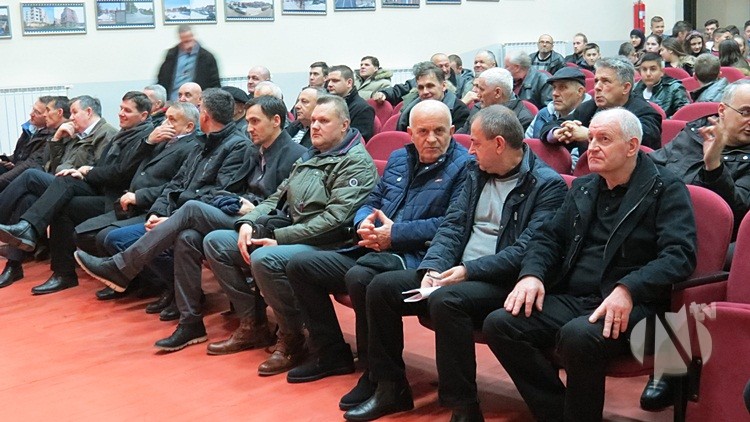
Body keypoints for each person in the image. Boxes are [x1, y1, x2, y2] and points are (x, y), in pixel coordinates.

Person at [342, 104, 567, 422]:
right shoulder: (476, 172)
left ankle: (463, 406)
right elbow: (452, 226)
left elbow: (527, 250)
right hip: (456, 271)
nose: (470, 150)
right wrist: (432, 268)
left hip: (503, 279)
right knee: (381, 288)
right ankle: (390, 388)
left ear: (499, 144)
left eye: (475, 142)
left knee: (447, 301)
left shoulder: (546, 185)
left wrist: (467, 271)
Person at [483, 107, 697, 422]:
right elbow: (548, 238)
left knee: (579, 336)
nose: (592, 147)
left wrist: (628, 289)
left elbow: (679, 255)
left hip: (637, 305)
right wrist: (532, 275)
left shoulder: (665, 188)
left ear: (632, 146)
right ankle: (558, 413)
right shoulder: (585, 187)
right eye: (591, 138)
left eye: (604, 139)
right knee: (500, 324)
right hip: (578, 296)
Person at [75, 96, 306, 351]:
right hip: (238, 216)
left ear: (276, 121)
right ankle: (193, 323)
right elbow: (227, 190)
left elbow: (285, 205)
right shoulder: (253, 149)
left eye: (254, 121)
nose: (248, 127)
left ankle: (121, 267)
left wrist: (249, 207)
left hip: (264, 225)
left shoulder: (293, 155)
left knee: (192, 209)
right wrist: (236, 202)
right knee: (187, 238)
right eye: (248, 121)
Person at [283, 100, 470, 399]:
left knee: (360, 278)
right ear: (410, 132)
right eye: (423, 131)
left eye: (439, 131)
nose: (431, 139)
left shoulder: (464, 166)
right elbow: (371, 200)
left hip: (418, 257)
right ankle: (331, 354)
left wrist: (394, 234)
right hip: (375, 247)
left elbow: (451, 223)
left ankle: (377, 374)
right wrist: (364, 223)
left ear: (452, 131)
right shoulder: (399, 158)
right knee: (301, 267)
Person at [201, 95, 377, 375]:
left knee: (265, 258)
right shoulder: (311, 155)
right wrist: (247, 222)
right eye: (313, 120)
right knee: (216, 243)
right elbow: (275, 197)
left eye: (324, 121)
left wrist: (281, 238)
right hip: (294, 233)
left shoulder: (355, 162)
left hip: (332, 245)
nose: (314, 126)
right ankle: (252, 324)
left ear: (344, 125)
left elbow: (335, 220)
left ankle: (293, 337)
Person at [643, 80, 750, 410]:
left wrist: (714, 165)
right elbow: (656, 164)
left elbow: (739, 210)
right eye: (746, 112)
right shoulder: (693, 132)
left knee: (678, 267)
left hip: (722, 240)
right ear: (722, 110)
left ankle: (669, 367)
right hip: (667, 224)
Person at [0, 92, 156, 294]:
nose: (120, 113)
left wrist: (86, 172)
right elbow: (51, 164)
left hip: (110, 195)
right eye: (120, 108)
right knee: (34, 198)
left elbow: (119, 173)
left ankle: (28, 231)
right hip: (78, 183)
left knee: (36, 177)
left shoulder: (126, 135)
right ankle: (28, 265)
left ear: (143, 115)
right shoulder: (116, 133)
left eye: (127, 110)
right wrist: (58, 141)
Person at [72, 102, 200, 300]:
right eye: (166, 118)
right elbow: (130, 166)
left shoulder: (191, 147)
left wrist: (140, 196)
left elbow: (176, 186)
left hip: (156, 206)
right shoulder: (162, 139)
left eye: (172, 120)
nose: (165, 123)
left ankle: (162, 286)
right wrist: (148, 141)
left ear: (189, 127)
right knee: (85, 233)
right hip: (133, 201)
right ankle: (138, 282)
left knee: (108, 237)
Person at [540, 56, 662, 152]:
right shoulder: (591, 107)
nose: (597, 87)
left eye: (605, 81)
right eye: (596, 81)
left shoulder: (646, 113)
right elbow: (551, 125)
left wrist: (590, 135)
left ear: (625, 88)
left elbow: (633, 140)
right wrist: (558, 132)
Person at [396, 62, 470, 133]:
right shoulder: (411, 110)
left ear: (444, 86)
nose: (425, 92)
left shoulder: (460, 111)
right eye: (421, 87)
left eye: (430, 86)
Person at [0, 96, 55, 190]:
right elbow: (19, 154)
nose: (31, 114)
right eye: (33, 109)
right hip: (18, 168)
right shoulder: (30, 128)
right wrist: (5, 159)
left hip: (26, 174)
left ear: (47, 115)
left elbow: (30, 164)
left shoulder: (50, 137)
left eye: (37, 112)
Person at [457, 67, 533, 133]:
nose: (477, 94)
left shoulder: (522, 120)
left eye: (481, 89)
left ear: (497, 93)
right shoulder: (477, 108)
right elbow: (461, 136)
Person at [157, 25, 220, 101]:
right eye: (185, 41)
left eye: (190, 40)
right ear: (180, 39)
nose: (188, 45)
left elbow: (215, 85)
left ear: (193, 37)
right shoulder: (171, 55)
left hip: (197, 102)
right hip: (173, 101)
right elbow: (162, 80)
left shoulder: (207, 57)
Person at [526, 67, 591, 139]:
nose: (554, 93)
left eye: (562, 87)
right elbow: (527, 143)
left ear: (580, 91)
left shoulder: (593, 117)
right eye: (554, 88)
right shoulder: (543, 114)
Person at [327, 65, 376, 141]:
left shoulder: (363, 109)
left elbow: (357, 141)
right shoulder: (328, 104)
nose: (329, 84)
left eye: (335, 81)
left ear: (349, 83)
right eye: (328, 81)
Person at [633, 52, 690, 118]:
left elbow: (683, 115)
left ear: (662, 72)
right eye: (644, 69)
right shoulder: (634, 88)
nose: (648, 74)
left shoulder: (675, 88)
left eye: (653, 69)